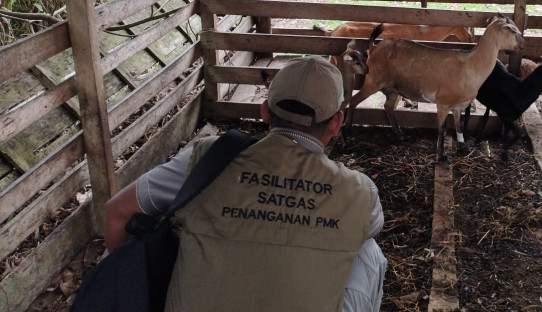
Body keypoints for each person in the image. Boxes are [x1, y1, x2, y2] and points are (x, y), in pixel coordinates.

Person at [104, 55, 387, 312]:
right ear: (336, 123)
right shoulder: (360, 191)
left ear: (265, 110)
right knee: (366, 249)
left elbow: (118, 211)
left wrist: (135, 289)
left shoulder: (208, 158)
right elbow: (369, 228)